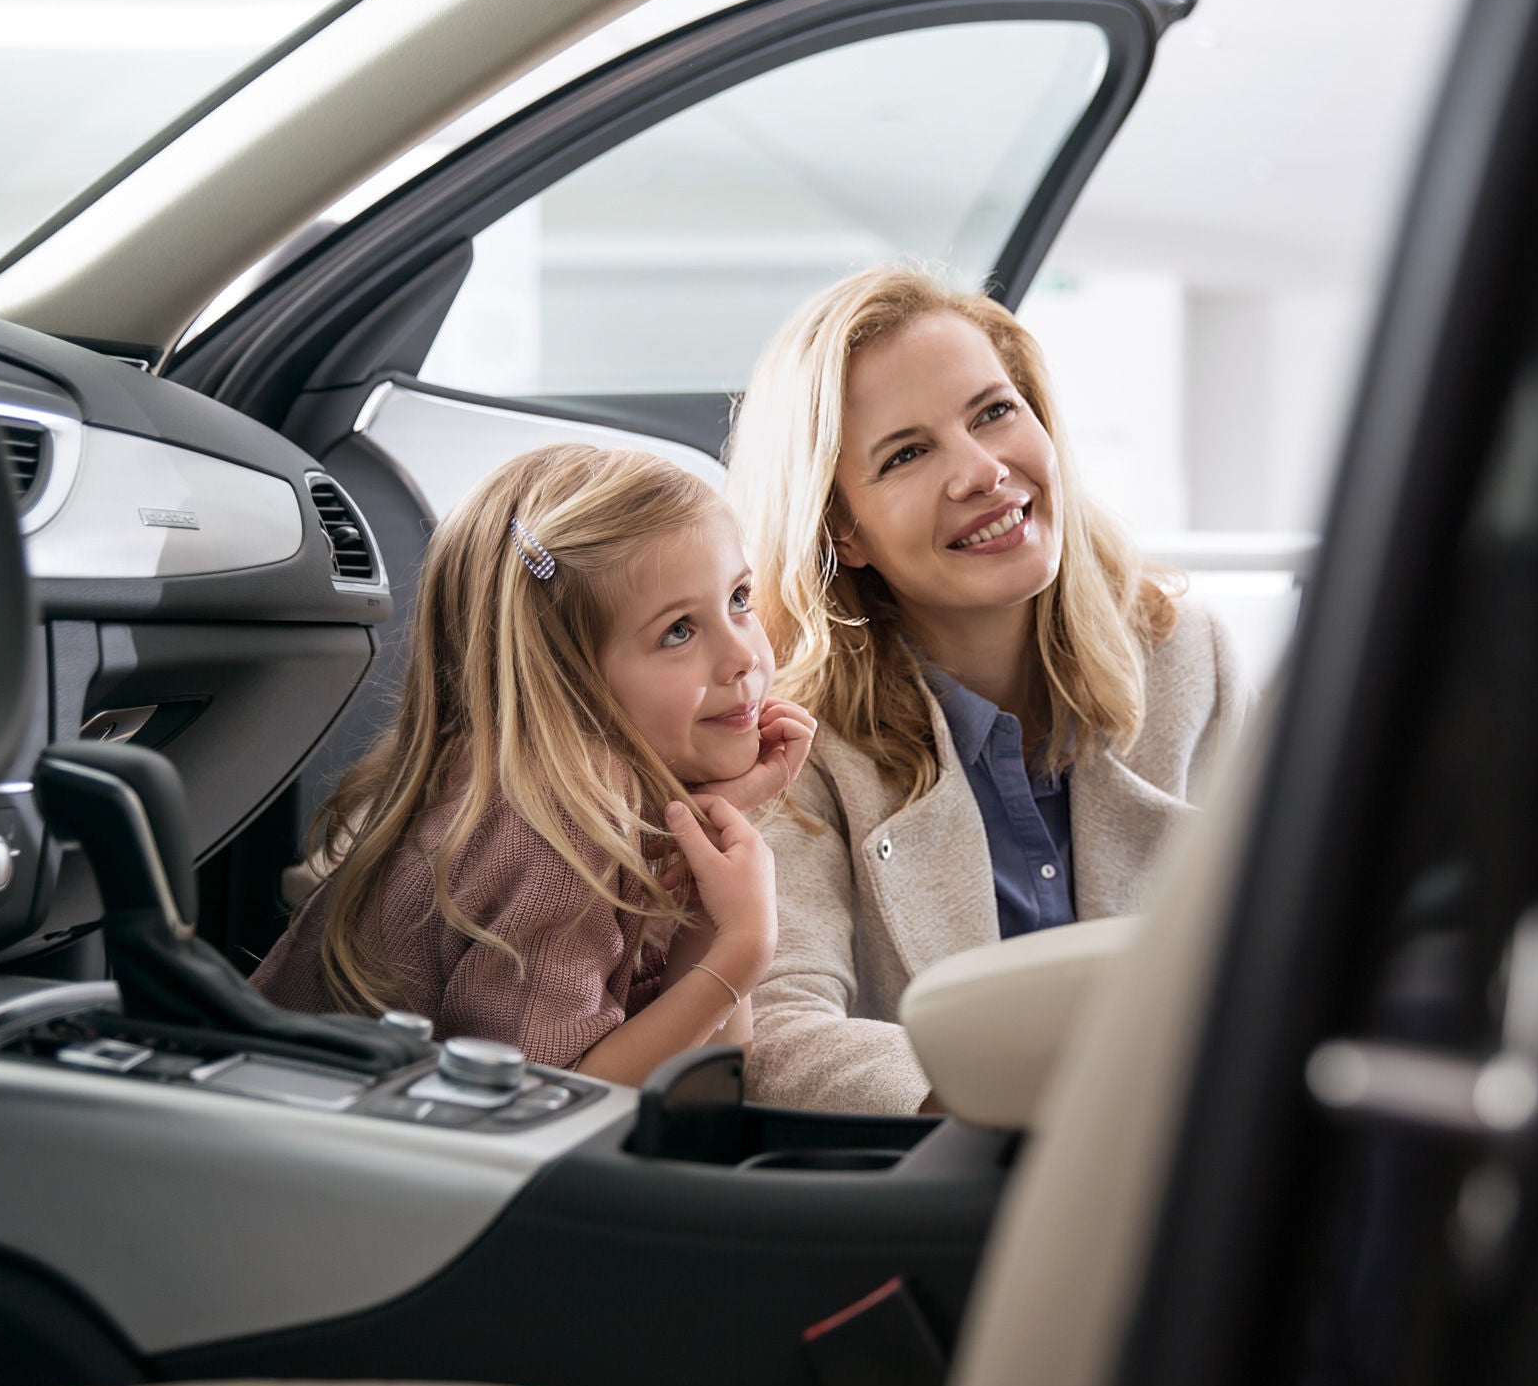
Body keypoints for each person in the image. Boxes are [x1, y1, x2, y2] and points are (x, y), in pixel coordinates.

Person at [727, 264, 1251, 1114]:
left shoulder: (1190, 659)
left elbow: (1285, 935)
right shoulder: (791, 741)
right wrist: (1023, 1116)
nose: (982, 471)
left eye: (994, 413)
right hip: (954, 1171)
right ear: (843, 530)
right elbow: (779, 1030)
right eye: (907, 454)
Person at [251, 442, 816, 1085]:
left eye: (739, 598)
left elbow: (700, 1090)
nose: (744, 656)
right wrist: (742, 953)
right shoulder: (549, 831)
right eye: (678, 631)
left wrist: (709, 852)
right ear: (564, 680)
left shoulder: (607, 807)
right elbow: (556, 1101)